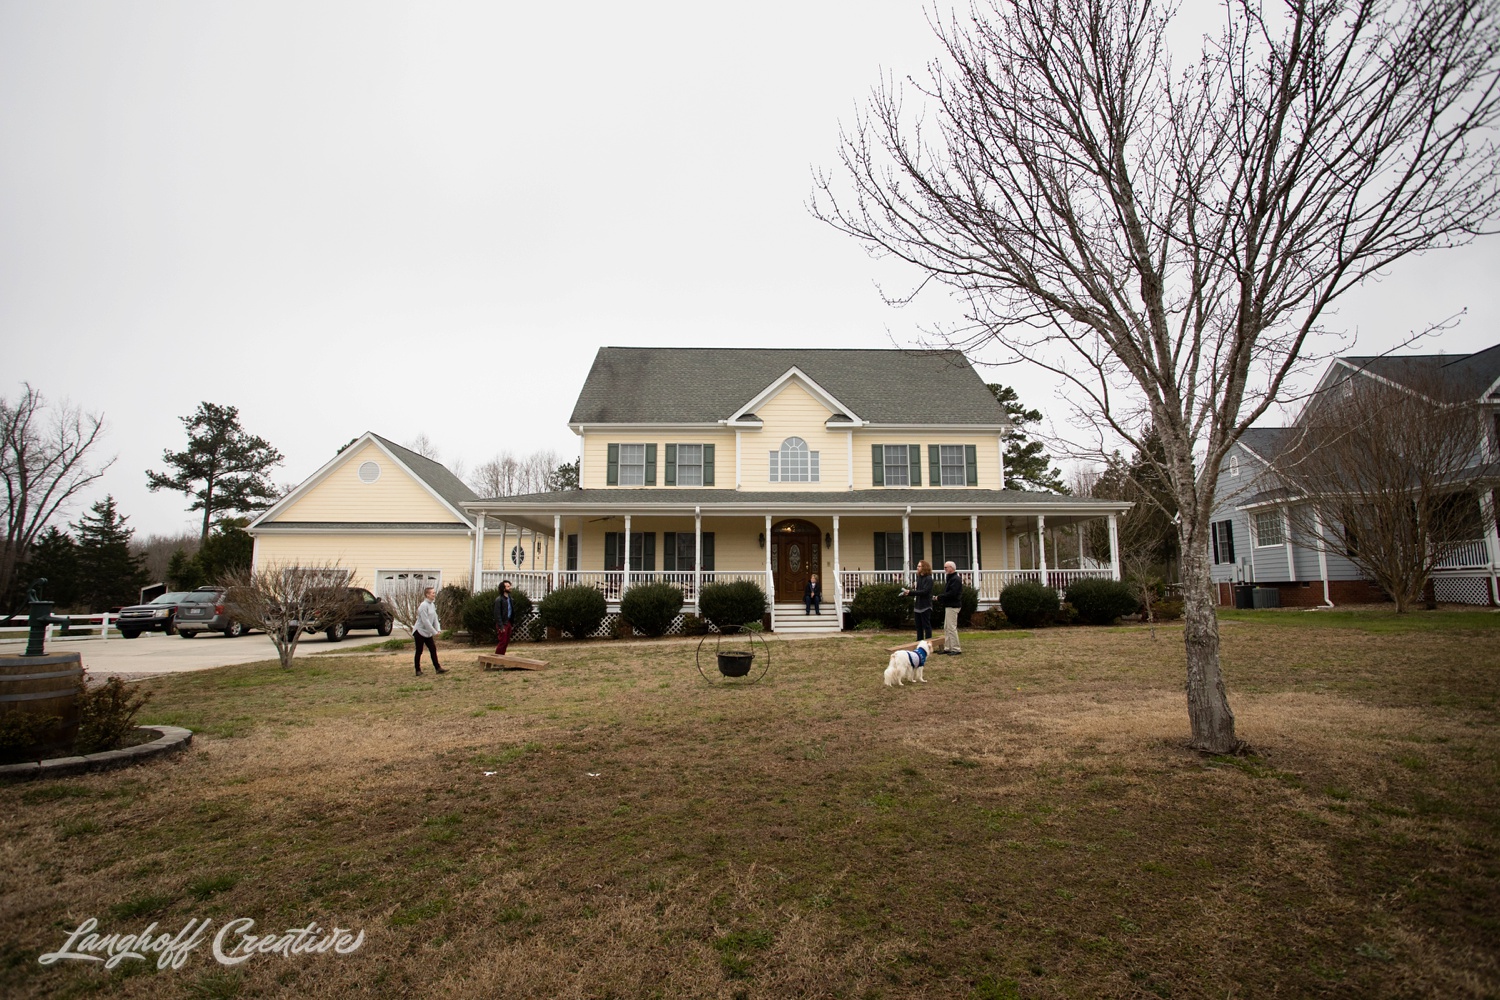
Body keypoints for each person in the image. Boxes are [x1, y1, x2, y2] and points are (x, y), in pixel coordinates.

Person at [413, 586, 447, 675]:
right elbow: (425, 621)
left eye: (434, 593)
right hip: (419, 631)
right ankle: (418, 670)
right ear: (427, 595)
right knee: (419, 651)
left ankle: (438, 668)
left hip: (427, 632)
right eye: (432, 593)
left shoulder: (432, 605)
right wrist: (434, 632)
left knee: (433, 649)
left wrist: (438, 629)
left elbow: (435, 618)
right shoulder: (423, 605)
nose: (434, 595)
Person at [902, 560, 934, 641]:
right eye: (917, 566)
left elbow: (924, 592)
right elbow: (918, 591)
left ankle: (928, 642)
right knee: (918, 626)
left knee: (926, 626)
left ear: (924, 567)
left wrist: (910, 592)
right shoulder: (919, 578)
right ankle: (919, 642)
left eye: (919, 566)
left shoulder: (929, 579)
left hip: (926, 606)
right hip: (918, 606)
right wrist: (909, 593)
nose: (917, 568)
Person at [939, 561, 963, 655]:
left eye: (946, 567)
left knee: (952, 628)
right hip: (949, 605)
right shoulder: (950, 578)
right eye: (944, 567)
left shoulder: (955, 579)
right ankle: (948, 647)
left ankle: (956, 648)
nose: (945, 569)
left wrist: (941, 597)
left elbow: (952, 593)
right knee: (947, 627)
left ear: (952, 568)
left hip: (953, 606)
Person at [493, 579, 515, 654]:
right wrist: (501, 626)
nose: (510, 588)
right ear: (503, 588)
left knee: (506, 642)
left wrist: (511, 623)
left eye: (509, 586)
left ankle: (502, 657)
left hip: (508, 622)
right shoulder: (499, 600)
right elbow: (497, 614)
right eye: (508, 586)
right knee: (502, 641)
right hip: (502, 623)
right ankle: (496, 659)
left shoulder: (510, 599)